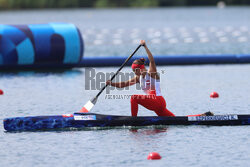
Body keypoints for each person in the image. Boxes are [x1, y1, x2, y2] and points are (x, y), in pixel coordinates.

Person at [106, 40, 175, 117]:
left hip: (158, 101)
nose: (134, 72)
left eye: (135, 70)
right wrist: (111, 84)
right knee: (175, 120)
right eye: (133, 71)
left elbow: (152, 61)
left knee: (134, 98)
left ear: (141, 68)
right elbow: (123, 84)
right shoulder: (138, 78)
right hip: (156, 106)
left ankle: (133, 119)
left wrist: (145, 46)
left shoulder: (151, 73)